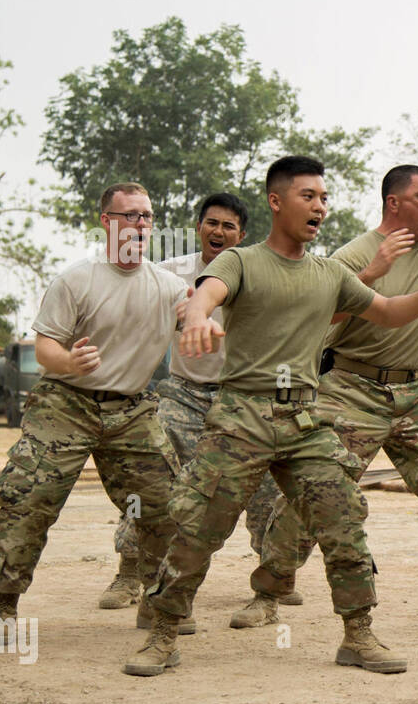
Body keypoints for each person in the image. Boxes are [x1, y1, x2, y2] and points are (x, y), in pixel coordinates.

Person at [123, 156, 418, 677]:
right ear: (277, 202)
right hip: (241, 416)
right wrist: (198, 317)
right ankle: (162, 633)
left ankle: (358, 634)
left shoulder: (329, 273)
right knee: (196, 525)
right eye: (308, 197)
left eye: (324, 198)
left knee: (343, 519)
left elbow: (385, 313)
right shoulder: (242, 262)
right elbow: (206, 294)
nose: (320, 206)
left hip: (304, 420)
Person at [234, 164, 418, 633]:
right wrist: (374, 273)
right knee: (317, 486)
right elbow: (318, 321)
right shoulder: (352, 256)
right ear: (394, 203)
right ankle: (268, 592)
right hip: (352, 386)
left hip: (417, 392)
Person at [0, 183, 185, 641]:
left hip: (130, 409)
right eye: (128, 215)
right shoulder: (77, 279)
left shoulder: (169, 287)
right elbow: (46, 345)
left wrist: (204, 323)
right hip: (66, 404)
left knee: (166, 505)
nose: (138, 224)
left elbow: (198, 316)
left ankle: (159, 603)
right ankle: (2, 605)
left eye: (146, 216)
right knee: (29, 499)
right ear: (106, 222)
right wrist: (69, 361)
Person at [100, 193, 301, 623]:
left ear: (242, 235)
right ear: (198, 228)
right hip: (185, 393)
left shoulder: (261, 273)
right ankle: (130, 571)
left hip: (245, 396)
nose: (219, 232)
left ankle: (274, 576)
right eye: (212, 223)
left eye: (229, 226)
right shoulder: (172, 274)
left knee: (267, 485)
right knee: (157, 476)